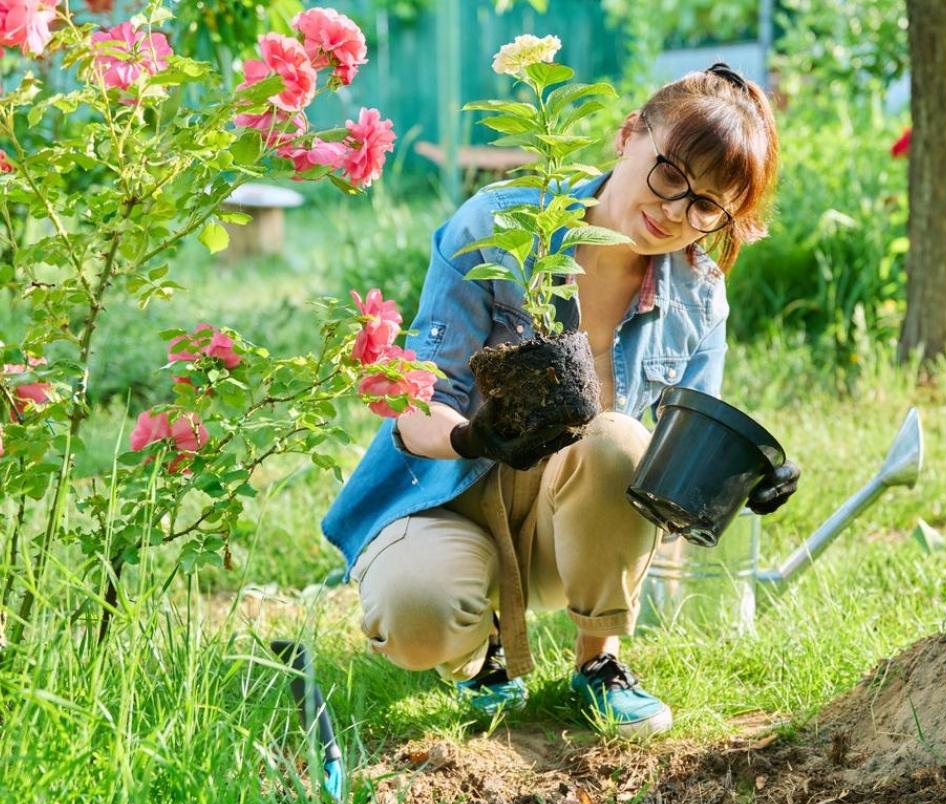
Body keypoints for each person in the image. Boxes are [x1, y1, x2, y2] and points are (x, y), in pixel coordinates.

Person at [322, 63, 799, 738]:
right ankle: (476, 655)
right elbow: (415, 398)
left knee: (619, 441)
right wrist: (474, 437)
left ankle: (598, 663)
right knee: (415, 611)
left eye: (706, 206)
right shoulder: (498, 228)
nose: (675, 211)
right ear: (630, 134)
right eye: (671, 174)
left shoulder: (699, 293)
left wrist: (741, 473)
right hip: (445, 495)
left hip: (569, 530)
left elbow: (675, 453)